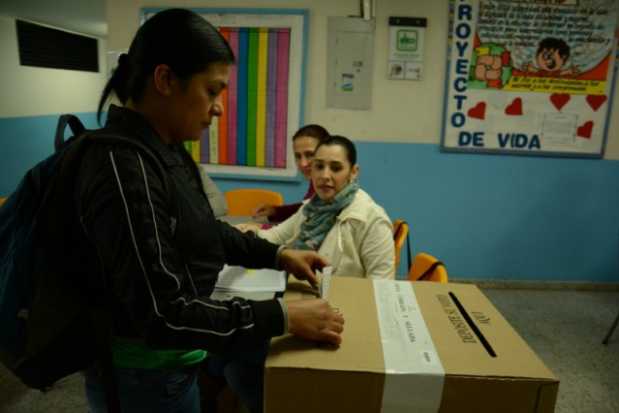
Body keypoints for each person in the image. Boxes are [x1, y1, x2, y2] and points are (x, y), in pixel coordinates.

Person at [77, 9, 343, 413]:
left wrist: (276, 255)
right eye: (212, 90)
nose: (219, 108)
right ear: (165, 80)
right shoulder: (123, 167)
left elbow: (205, 230)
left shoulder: (164, 149)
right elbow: (163, 315)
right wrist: (282, 316)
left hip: (176, 364)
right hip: (143, 378)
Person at [256, 136, 395, 279]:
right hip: (300, 291)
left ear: (353, 172)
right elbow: (277, 236)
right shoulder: (312, 207)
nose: (324, 175)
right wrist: (242, 236)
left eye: (335, 168)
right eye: (319, 166)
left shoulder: (373, 220)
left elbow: (380, 288)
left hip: (339, 299)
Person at [253, 124, 329, 222]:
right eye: (298, 156)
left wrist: (262, 229)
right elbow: (305, 210)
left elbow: (305, 223)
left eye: (310, 155)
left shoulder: (329, 186)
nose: (303, 163)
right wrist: (276, 211)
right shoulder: (315, 179)